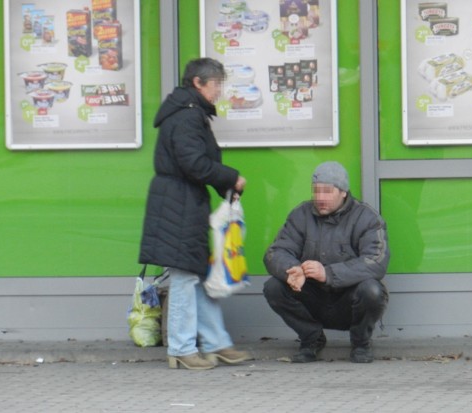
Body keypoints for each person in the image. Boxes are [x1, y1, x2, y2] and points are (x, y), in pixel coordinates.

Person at [139, 58, 252, 370]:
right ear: (198, 83)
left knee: (198, 275)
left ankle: (217, 344)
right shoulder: (188, 117)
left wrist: (225, 184)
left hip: (182, 201)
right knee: (185, 277)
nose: (219, 91)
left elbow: (195, 163)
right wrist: (230, 178)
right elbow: (194, 163)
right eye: (216, 84)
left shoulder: (188, 113)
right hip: (178, 203)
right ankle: (181, 348)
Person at [263, 161, 390, 363]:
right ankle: (311, 339)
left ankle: (360, 343)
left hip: (348, 300)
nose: (320, 198)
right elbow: (276, 251)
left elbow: (376, 261)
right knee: (273, 287)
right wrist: (292, 270)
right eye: (316, 191)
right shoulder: (301, 214)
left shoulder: (367, 217)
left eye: (327, 192)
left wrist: (328, 274)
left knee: (372, 290)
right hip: (312, 296)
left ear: (344, 193)